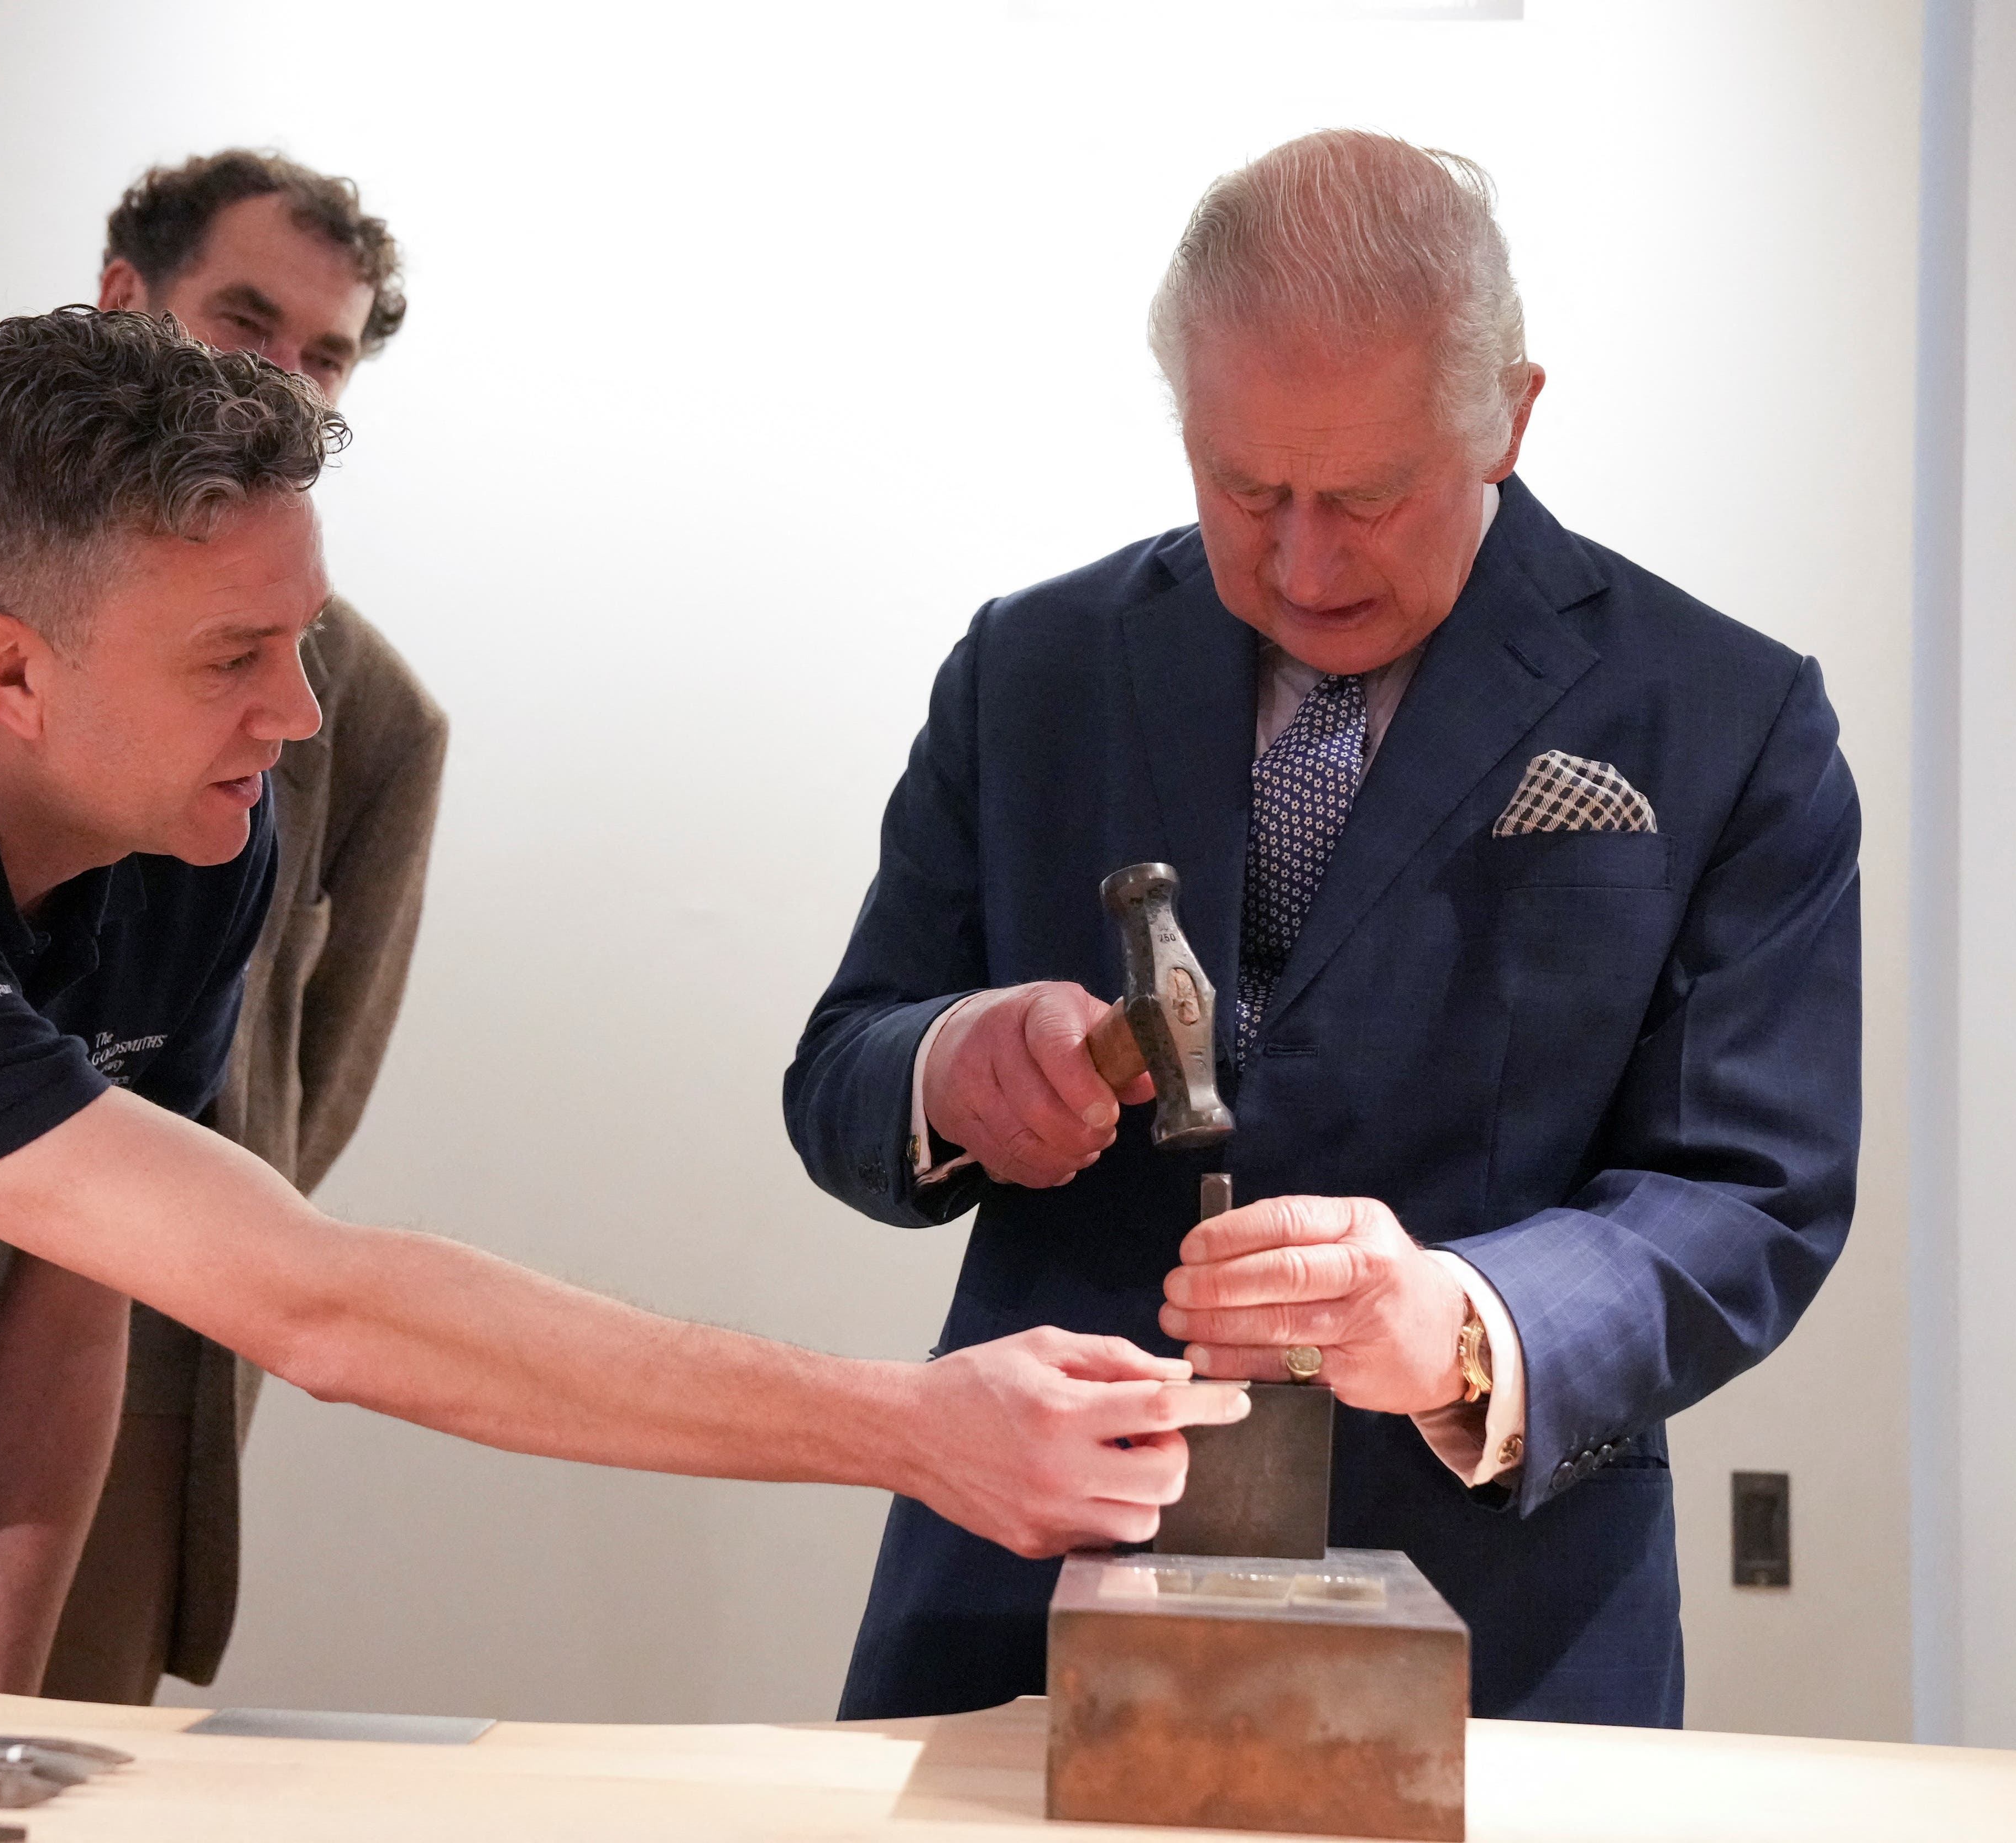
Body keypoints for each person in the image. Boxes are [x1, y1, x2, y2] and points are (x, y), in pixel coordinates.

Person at [0, 307, 1247, 1686]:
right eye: (233, 655)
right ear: (6, 668)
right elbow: (304, 1300)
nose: (296, 716)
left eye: (300, 639)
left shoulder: (200, 832)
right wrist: (904, 1426)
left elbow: (84, 1287)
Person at [784, 130, 1858, 1728]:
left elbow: (1750, 1196)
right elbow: (842, 1071)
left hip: (1503, 1628)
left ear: (1508, 416)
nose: (1300, 560)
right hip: (1033, 1595)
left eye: (1364, 496)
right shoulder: (1031, 668)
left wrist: (1461, 1321)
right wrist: (948, 1071)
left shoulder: (1723, 715)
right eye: (1241, 487)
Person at [0, 150, 440, 1702]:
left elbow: (306, 1079)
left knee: (44, 1760)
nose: (281, 372)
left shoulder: (368, 713)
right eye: (245, 318)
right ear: (124, 296)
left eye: (324, 353)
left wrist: (160, 1223)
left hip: (131, 1338)